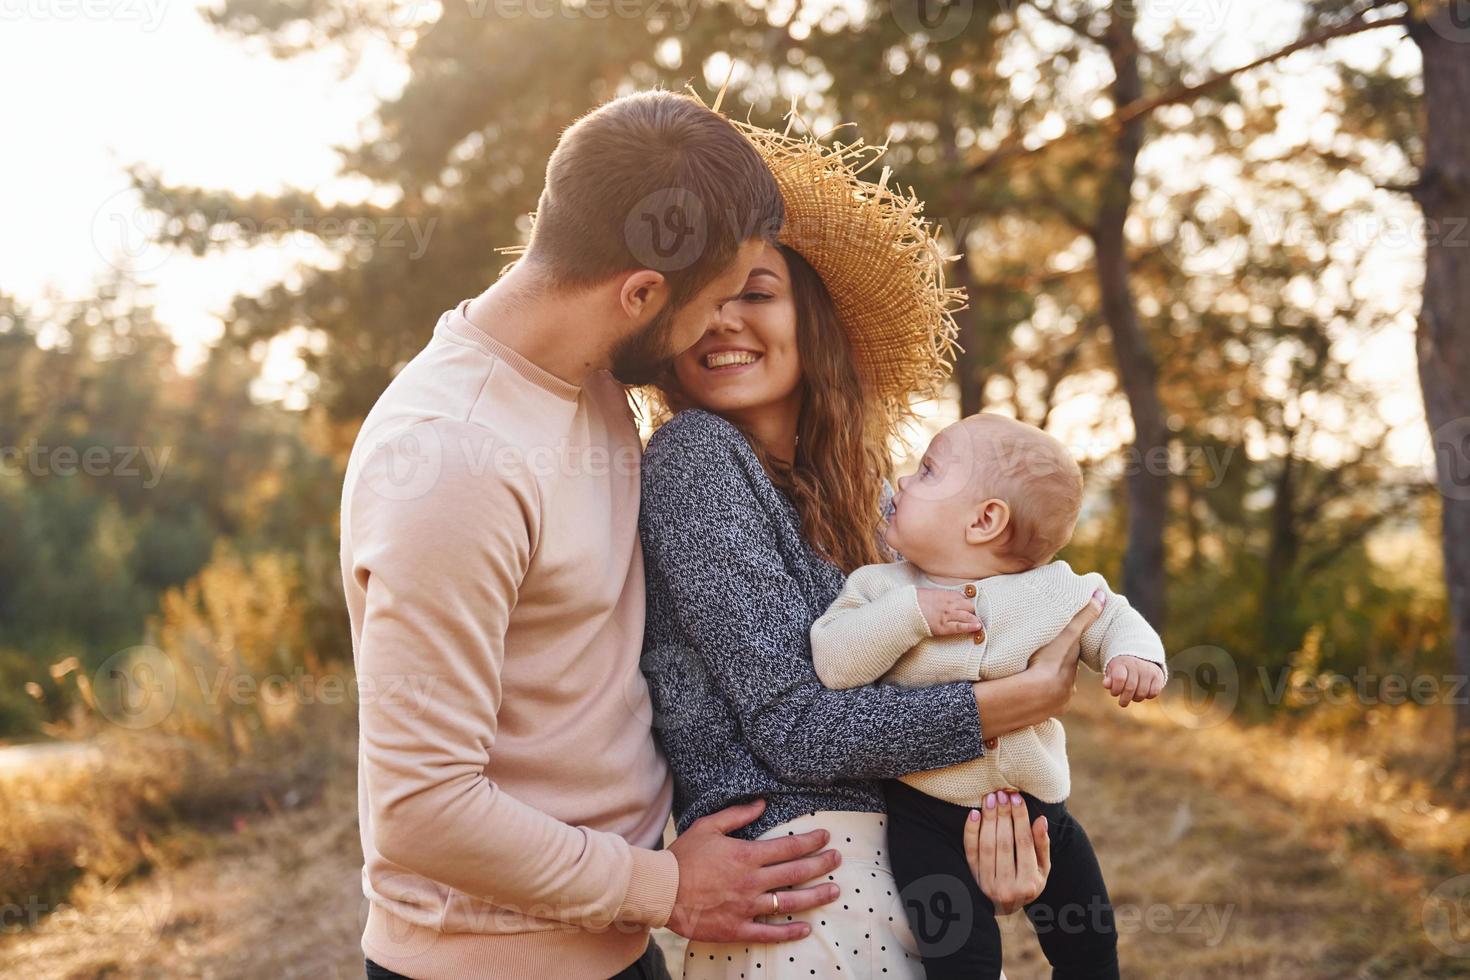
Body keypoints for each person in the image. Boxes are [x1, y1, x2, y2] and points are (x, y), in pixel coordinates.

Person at [342, 90, 845, 980]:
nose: (721, 324)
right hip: (491, 964)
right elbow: (420, 808)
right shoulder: (454, 463)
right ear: (642, 292)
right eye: (716, 300)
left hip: (614, 937)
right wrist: (663, 888)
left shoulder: (590, 378)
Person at [637, 113, 1103, 979]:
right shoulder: (697, 462)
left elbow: (952, 672)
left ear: (813, 317)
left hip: (917, 878)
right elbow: (798, 732)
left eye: (756, 291)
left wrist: (998, 842)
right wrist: (1014, 702)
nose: (720, 321)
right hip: (803, 886)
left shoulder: (883, 500)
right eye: (700, 297)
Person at [811, 413, 1169, 978]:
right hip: (926, 818)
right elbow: (833, 663)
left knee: (1091, 940)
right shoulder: (881, 587)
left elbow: (1114, 616)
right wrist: (911, 616)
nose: (901, 482)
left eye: (926, 471)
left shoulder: (1055, 588)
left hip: (1040, 813)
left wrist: (1135, 657)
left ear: (984, 520)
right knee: (962, 956)